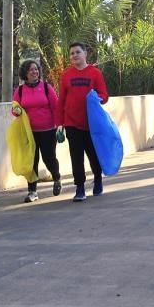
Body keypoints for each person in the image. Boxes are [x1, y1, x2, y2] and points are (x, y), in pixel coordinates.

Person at [57, 41, 109, 203]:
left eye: (77, 52)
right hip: (72, 123)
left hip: (92, 124)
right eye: (72, 53)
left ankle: (98, 179)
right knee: (76, 157)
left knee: (93, 155)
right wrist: (60, 123)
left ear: (85, 54)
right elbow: (61, 100)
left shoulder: (95, 73)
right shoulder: (66, 75)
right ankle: (79, 188)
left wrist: (95, 98)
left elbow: (104, 96)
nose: (74, 55)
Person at [12, 59, 62, 202]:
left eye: (36, 69)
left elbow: (56, 107)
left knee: (49, 158)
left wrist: (59, 125)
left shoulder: (46, 87)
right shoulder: (20, 90)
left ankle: (57, 178)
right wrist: (16, 110)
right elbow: (15, 109)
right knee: (31, 161)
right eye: (30, 70)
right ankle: (32, 191)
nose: (34, 72)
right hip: (29, 132)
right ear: (25, 74)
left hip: (48, 130)